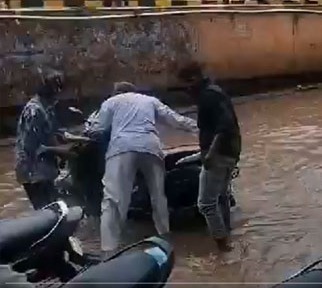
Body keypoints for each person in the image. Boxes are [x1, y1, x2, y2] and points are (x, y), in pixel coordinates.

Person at [90, 82, 198, 257]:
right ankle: (165, 238)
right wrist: (199, 129)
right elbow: (175, 120)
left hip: (121, 148)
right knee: (158, 196)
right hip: (150, 146)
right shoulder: (149, 100)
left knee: (113, 200)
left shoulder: (111, 102)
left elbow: (97, 129)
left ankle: (108, 251)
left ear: (116, 92)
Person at [178, 64, 241, 252]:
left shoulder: (208, 96)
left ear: (194, 79)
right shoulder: (214, 92)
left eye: (186, 85)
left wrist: (210, 154)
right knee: (221, 197)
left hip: (219, 154)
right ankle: (227, 237)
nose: (185, 90)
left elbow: (224, 126)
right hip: (231, 152)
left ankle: (222, 246)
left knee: (205, 203)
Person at [15, 70, 72, 210]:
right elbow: (32, 148)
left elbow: (52, 134)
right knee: (47, 210)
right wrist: (63, 151)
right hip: (34, 172)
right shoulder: (34, 111)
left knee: (54, 208)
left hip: (44, 170)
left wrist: (69, 139)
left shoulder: (47, 108)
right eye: (58, 90)